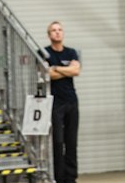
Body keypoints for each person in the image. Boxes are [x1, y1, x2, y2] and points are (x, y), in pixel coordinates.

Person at [45, 21, 80, 183]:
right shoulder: (44, 53)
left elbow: (76, 70)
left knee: (71, 141)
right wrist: (66, 71)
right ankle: (59, 177)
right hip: (55, 103)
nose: (57, 32)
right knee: (58, 142)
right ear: (49, 35)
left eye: (60, 30)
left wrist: (56, 68)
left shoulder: (71, 52)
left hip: (71, 102)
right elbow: (48, 75)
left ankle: (71, 177)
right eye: (53, 30)